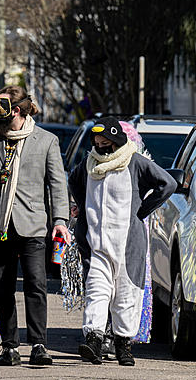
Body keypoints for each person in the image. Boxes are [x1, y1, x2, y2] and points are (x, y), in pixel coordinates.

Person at [0, 85, 70, 367]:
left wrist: (60, 221)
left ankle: (38, 344)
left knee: (36, 284)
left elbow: (57, 185)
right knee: (4, 287)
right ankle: (9, 346)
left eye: (2, 106)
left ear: (17, 110)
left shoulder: (46, 141)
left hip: (33, 224)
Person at [68, 117, 176, 366]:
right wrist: (84, 209)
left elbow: (168, 184)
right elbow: (73, 182)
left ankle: (123, 344)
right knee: (96, 290)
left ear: (117, 141)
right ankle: (94, 339)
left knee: (127, 293)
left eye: (106, 143)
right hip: (96, 241)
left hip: (127, 242)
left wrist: (143, 210)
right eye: (97, 143)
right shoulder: (89, 164)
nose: (101, 148)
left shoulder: (135, 162)